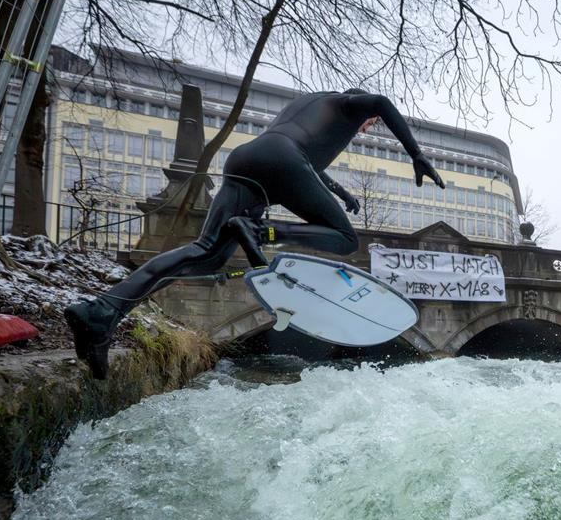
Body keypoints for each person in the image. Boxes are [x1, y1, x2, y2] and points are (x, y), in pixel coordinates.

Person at [64, 89, 444, 379]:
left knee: (205, 253)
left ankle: (102, 312)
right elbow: (381, 101)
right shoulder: (350, 104)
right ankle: (263, 230)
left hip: (247, 160)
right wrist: (416, 153)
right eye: (371, 123)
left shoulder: (309, 105)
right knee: (344, 240)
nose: (369, 126)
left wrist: (340, 192)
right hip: (281, 165)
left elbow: (303, 158)